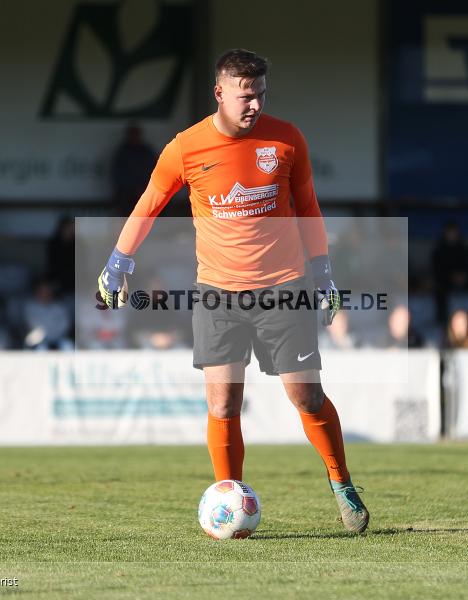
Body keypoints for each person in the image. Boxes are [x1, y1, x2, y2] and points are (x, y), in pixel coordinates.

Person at [96, 49, 368, 532]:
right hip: (218, 294)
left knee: (306, 396)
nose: (255, 104)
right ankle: (231, 497)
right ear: (219, 93)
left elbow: (308, 206)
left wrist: (324, 275)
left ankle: (341, 481)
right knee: (223, 404)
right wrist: (118, 262)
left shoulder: (287, 139)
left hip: (284, 288)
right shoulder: (186, 148)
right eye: (246, 96)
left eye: (261, 93)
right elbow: (149, 203)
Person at [110, 124, 158, 217]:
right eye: (131, 134)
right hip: (127, 194)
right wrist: (132, 188)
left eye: (136, 134)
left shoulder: (147, 151)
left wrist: (144, 188)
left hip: (145, 192)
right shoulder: (122, 152)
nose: (134, 137)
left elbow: (156, 171)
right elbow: (117, 175)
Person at [432, 221, 468, 320]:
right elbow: (437, 271)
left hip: (465, 282)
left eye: (454, 233)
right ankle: (443, 319)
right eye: (450, 233)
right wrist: (451, 277)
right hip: (444, 283)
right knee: (440, 292)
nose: (452, 235)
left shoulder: (465, 250)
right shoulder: (439, 251)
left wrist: (462, 276)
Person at [23, 278, 74, 351]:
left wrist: (54, 338)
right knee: (40, 349)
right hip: (38, 340)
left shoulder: (59, 307)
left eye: (47, 291)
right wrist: (46, 336)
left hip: (59, 338)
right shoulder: (30, 307)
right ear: (37, 292)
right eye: (42, 291)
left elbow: (65, 325)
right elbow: (34, 326)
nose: (45, 294)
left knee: (68, 346)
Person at [46, 216, 76, 296]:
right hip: (57, 277)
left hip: (73, 276)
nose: (72, 230)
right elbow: (52, 264)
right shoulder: (54, 243)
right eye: (69, 227)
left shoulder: (77, 243)